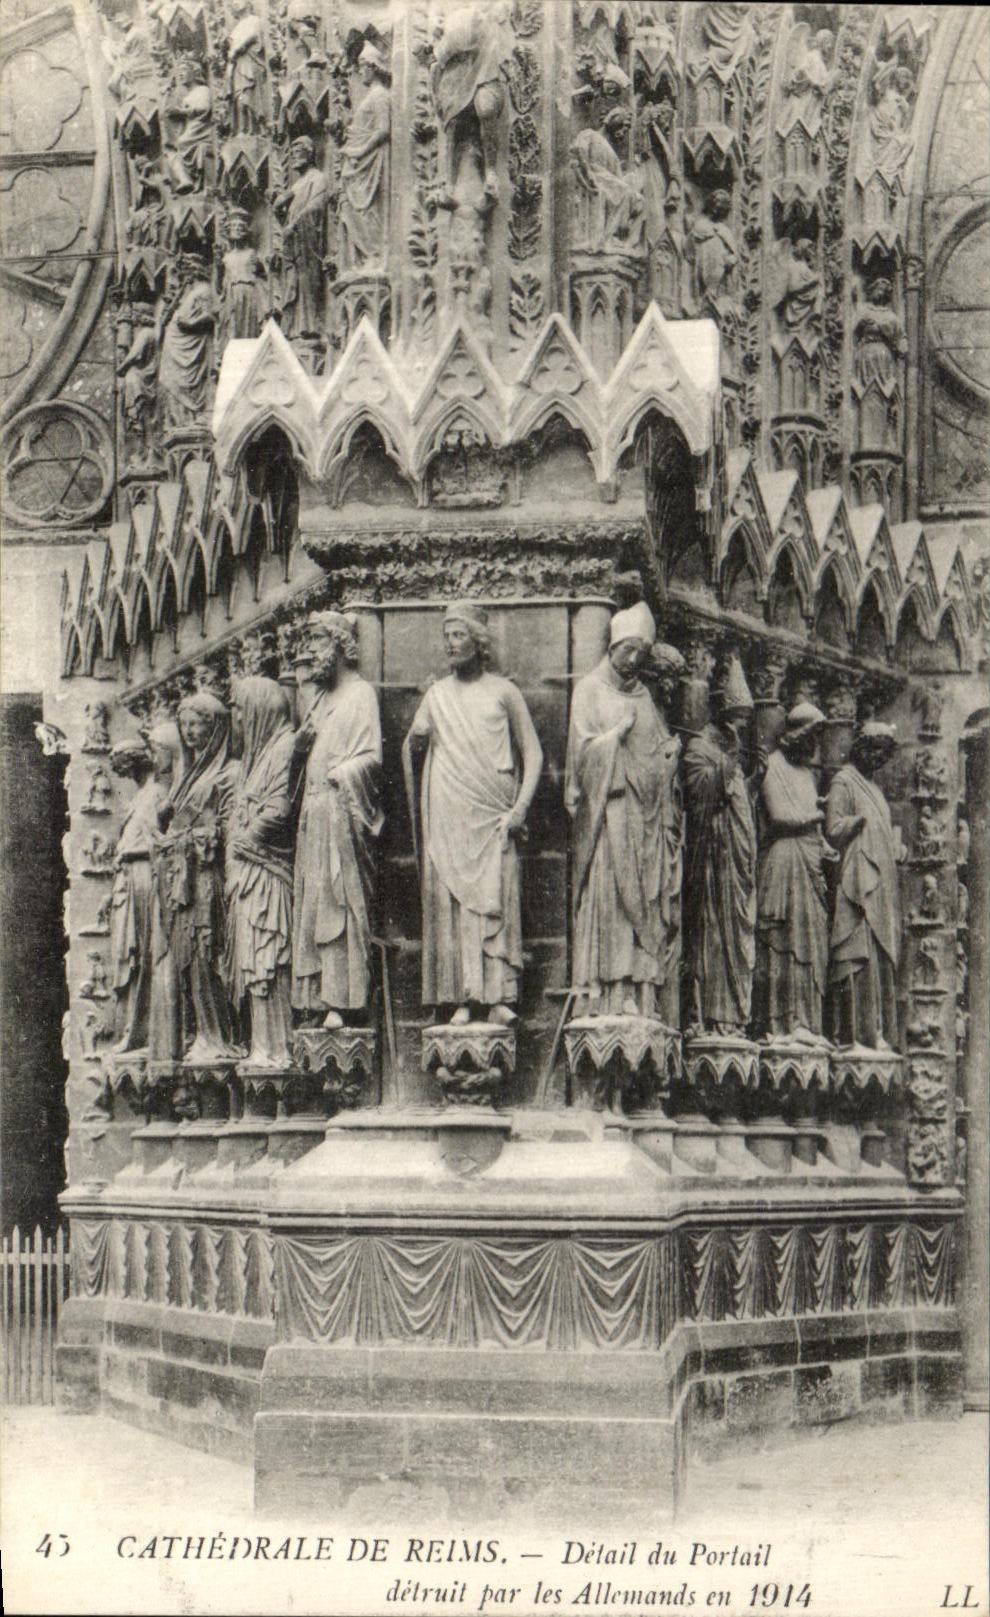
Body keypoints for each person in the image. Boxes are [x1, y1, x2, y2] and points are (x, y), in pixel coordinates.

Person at [403, 603, 543, 1025]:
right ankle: (461, 995)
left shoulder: (504, 692)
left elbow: (533, 752)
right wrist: (416, 740)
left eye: (458, 635)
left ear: (477, 641)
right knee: (453, 902)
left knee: (497, 896)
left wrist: (520, 808)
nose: (450, 644)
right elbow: (412, 749)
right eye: (446, 637)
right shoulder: (437, 696)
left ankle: (498, 992)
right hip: (450, 810)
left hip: (493, 814)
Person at [565, 601, 680, 1019]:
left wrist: (668, 757)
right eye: (628, 649)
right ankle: (607, 991)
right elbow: (580, 757)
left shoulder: (645, 698)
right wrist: (616, 736)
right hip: (608, 816)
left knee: (643, 907)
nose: (634, 660)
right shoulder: (590, 690)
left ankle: (639, 991)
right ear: (613, 645)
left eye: (642, 654)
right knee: (611, 903)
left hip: (642, 820)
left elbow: (654, 754)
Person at [292, 612, 383, 1027]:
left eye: (317, 641)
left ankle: (343, 1000)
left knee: (339, 900)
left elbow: (371, 759)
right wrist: (300, 749)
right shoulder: (319, 700)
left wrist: (340, 775)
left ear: (341, 645)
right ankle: (318, 996)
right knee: (315, 905)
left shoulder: (360, 695)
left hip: (340, 809)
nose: (311, 651)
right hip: (315, 813)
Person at [149, 691, 240, 1065]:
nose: (188, 732)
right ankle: (203, 1033)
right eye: (183, 724)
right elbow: (171, 824)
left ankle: (220, 1036)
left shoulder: (228, 771)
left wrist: (186, 837)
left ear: (215, 727)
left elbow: (229, 830)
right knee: (189, 964)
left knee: (208, 957)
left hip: (207, 880)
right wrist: (164, 826)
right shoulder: (186, 778)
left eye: (196, 724)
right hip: (183, 884)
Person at [682, 655, 758, 1035]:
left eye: (745, 721)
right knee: (712, 932)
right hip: (713, 859)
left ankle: (734, 1016)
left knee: (735, 933)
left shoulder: (733, 755)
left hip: (737, 864)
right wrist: (726, 770)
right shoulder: (700, 748)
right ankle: (708, 1015)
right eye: (737, 719)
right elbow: (697, 793)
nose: (742, 729)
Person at [226, 677, 297, 1066]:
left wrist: (248, 834)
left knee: (271, 956)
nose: (235, 718)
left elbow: (280, 807)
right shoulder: (260, 756)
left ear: (258, 710)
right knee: (257, 963)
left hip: (268, 874)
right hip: (252, 873)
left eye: (239, 709)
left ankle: (278, 1049)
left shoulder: (284, 746)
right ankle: (264, 1047)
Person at [753, 702, 828, 1042]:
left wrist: (825, 844)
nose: (816, 746)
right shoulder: (772, 766)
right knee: (784, 942)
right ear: (797, 735)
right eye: (813, 737)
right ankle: (781, 1023)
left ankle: (807, 1022)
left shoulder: (807, 775)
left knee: (809, 942)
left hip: (809, 864)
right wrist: (814, 818)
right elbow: (779, 816)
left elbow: (813, 826)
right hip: (783, 862)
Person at [825, 722, 901, 1049]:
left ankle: (878, 1031)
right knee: (859, 951)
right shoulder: (844, 780)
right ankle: (858, 1032)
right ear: (861, 747)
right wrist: (858, 824)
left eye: (883, 753)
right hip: (856, 879)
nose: (877, 758)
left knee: (878, 955)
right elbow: (833, 828)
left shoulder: (877, 791)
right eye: (873, 750)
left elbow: (883, 833)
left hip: (880, 883)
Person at [108, 726, 178, 1052]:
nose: (126, 776)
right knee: (131, 957)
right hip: (130, 878)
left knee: (144, 953)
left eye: (127, 769)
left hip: (144, 878)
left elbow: (158, 844)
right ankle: (134, 1030)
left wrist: (128, 852)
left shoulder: (156, 795)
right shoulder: (141, 796)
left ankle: (144, 1031)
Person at [339, 41, 391, 271]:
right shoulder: (371, 95)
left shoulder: (380, 95)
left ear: (373, 66)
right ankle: (366, 256)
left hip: (368, 162)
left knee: (366, 209)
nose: (360, 70)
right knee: (353, 209)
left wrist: (360, 150)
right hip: (358, 164)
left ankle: (374, 254)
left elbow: (383, 129)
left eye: (362, 65)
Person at [274, 136, 330, 339]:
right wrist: (278, 208)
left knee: (306, 283)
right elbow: (285, 217)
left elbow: (316, 206)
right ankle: (292, 329)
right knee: (292, 285)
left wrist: (294, 224)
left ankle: (309, 327)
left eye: (298, 154)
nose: (294, 160)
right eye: (291, 156)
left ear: (310, 154)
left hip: (308, 243)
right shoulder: (297, 185)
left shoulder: (318, 178)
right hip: (294, 244)